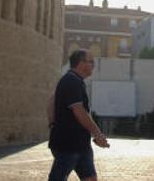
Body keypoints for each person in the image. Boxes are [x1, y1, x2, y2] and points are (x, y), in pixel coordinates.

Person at [47, 49, 109, 180]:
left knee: (90, 178)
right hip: (68, 144)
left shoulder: (74, 81)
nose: (94, 65)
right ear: (81, 63)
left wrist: (52, 124)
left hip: (81, 144)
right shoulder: (72, 81)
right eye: (91, 62)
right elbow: (79, 111)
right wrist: (97, 133)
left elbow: (51, 100)